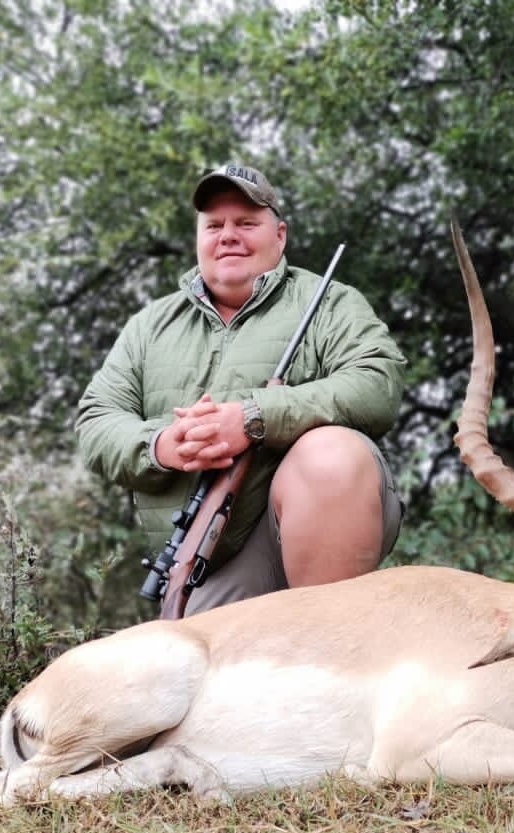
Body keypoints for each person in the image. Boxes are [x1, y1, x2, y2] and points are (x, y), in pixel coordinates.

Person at [76, 163, 407, 616]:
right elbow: (97, 421)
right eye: (214, 225)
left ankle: (333, 640)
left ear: (281, 235)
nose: (228, 235)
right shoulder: (148, 326)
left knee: (333, 454)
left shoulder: (330, 303)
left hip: (279, 539)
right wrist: (161, 446)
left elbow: (377, 385)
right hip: (205, 567)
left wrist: (253, 418)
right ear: (199, 238)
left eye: (246, 223)